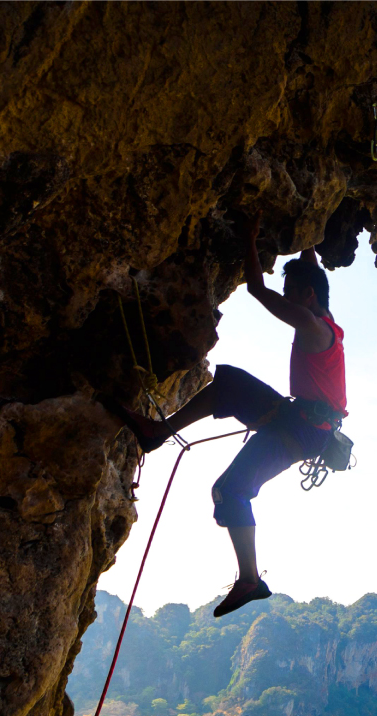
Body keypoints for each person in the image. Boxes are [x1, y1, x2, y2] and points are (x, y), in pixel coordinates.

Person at [109, 213, 350, 617]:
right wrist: (309, 237)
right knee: (229, 383)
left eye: (290, 292)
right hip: (303, 422)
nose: (285, 297)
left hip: (302, 429)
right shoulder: (327, 323)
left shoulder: (310, 323)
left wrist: (250, 237)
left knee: (230, 490)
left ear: (307, 296)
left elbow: (256, 289)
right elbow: (313, 275)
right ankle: (157, 432)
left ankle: (250, 579)